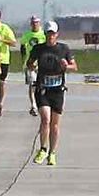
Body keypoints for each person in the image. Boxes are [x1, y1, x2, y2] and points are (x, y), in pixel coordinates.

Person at [27, 22, 76, 166]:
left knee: (55, 124)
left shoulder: (63, 49)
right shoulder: (38, 49)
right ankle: (43, 148)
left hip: (58, 90)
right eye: (48, 34)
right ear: (45, 34)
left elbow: (74, 66)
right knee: (45, 119)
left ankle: (52, 152)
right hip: (43, 89)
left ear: (57, 34)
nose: (50, 36)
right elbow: (29, 64)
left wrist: (67, 66)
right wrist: (32, 66)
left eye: (53, 34)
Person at [20, 16, 46, 116]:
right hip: (30, 63)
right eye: (33, 23)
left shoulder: (43, 34)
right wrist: (24, 61)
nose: (35, 24)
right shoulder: (27, 34)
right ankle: (33, 105)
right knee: (32, 85)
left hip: (42, 63)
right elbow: (22, 47)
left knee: (42, 84)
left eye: (36, 23)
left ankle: (42, 102)